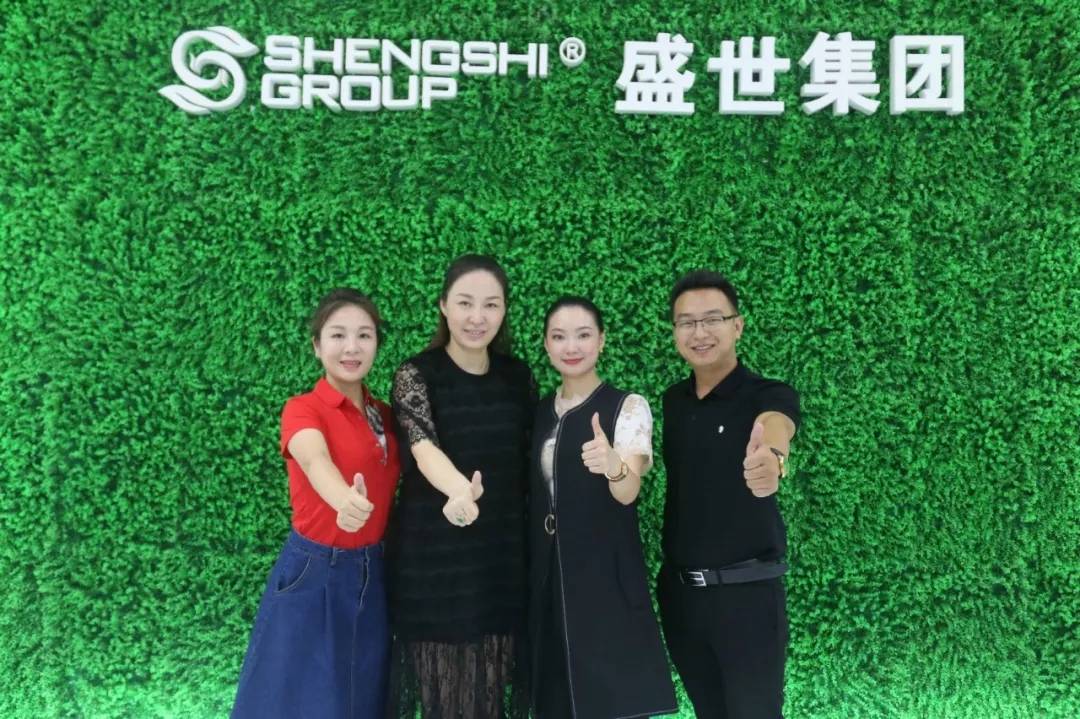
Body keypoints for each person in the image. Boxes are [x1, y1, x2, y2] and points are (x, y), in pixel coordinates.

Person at [231, 288, 402, 719]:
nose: (351, 347)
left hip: (375, 573)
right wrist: (344, 499)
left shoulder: (385, 414)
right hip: (315, 571)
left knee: (363, 697)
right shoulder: (304, 409)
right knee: (295, 699)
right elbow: (313, 459)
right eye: (337, 335)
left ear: (377, 343)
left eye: (364, 335)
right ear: (316, 345)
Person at [385, 254, 536, 719]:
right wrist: (458, 490)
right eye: (465, 303)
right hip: (436, 560)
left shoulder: (519, 377)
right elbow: (422, 446)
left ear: (504, 309)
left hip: (501, 556)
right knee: (446, 703)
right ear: (443, 305)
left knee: (489, 698)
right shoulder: (416, 374)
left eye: (491, 305)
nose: (477, 317)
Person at [656, 270, 801, 719]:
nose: (699, 332)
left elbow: (777, 425)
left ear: (737, 326)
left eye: (712, 319)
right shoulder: (673, 402)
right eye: (686, 322)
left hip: (747, 598)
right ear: (675, 332)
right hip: (682, 598)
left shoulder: (768, 393)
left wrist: (773, 458)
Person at [528, 296, 678, 719]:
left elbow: (628, 491)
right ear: (546, 344)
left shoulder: (626, 407)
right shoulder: (539, 412)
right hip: (548, 579)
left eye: (583, 335)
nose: (571, 346)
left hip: (605, 580)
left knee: (610, 700)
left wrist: (613, 466)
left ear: (602, 340)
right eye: (559, 336)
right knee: (555, 698)